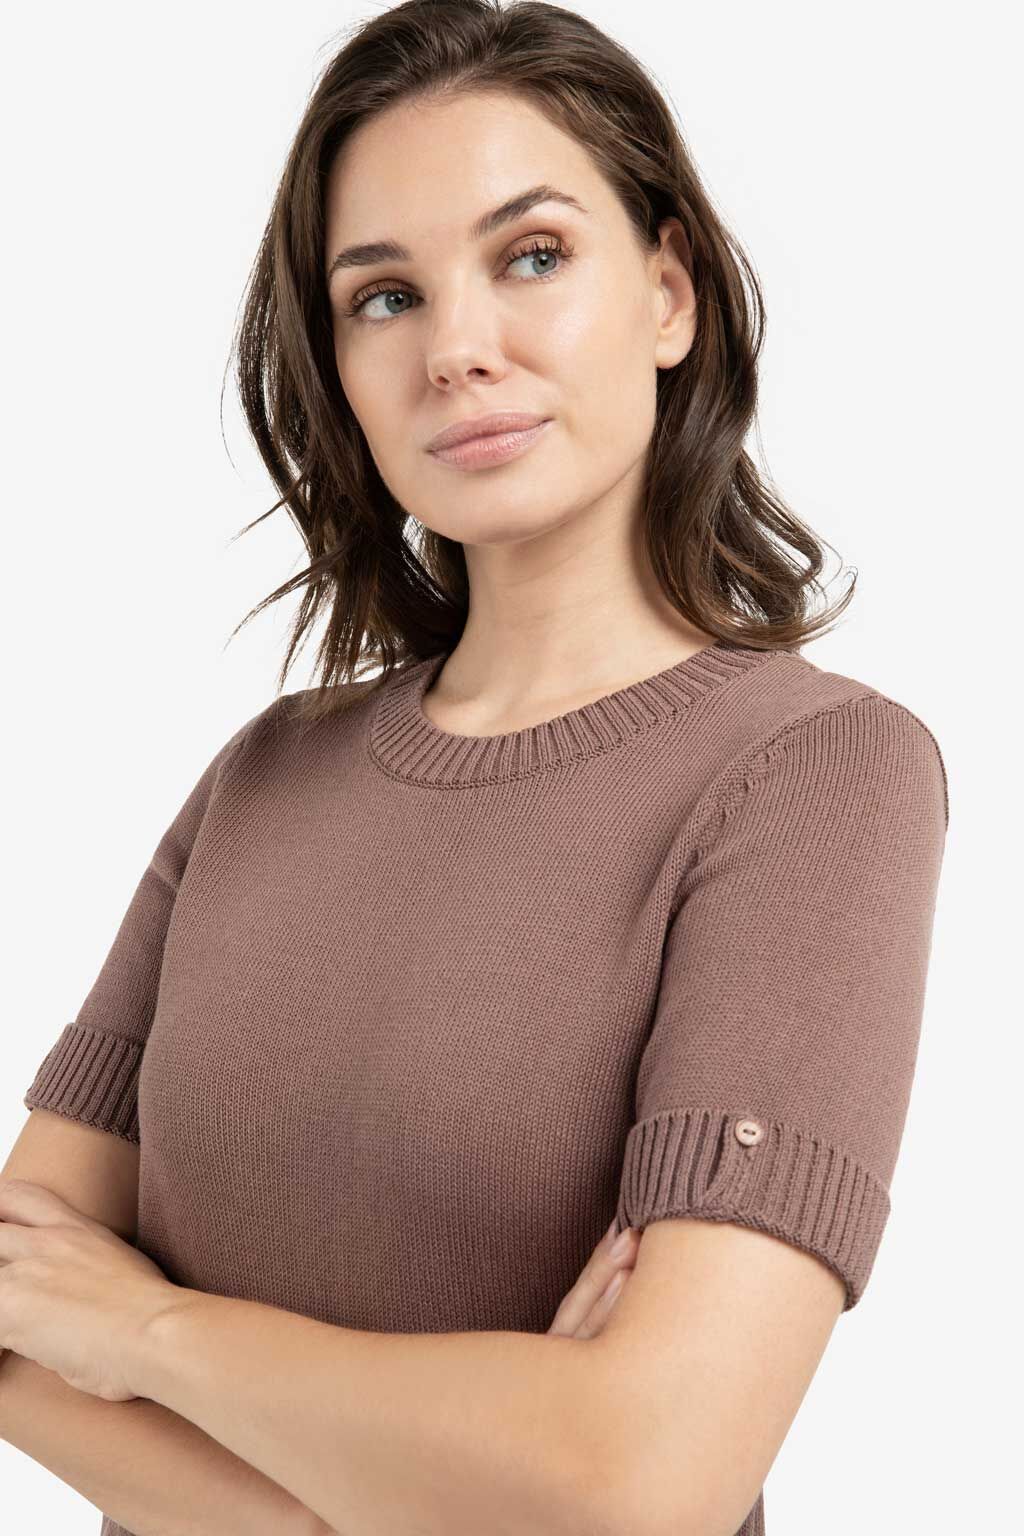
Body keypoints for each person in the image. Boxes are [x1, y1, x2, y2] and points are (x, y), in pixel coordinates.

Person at [2, 4, 948, 1535]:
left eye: (532, 255)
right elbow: (6, 1311)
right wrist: (433, 1490)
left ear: (668, 292)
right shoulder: (261, 781)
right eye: (384, 296)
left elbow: (645, 1478)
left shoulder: (816, 773)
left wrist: (143, 1331)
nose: (456, 350)